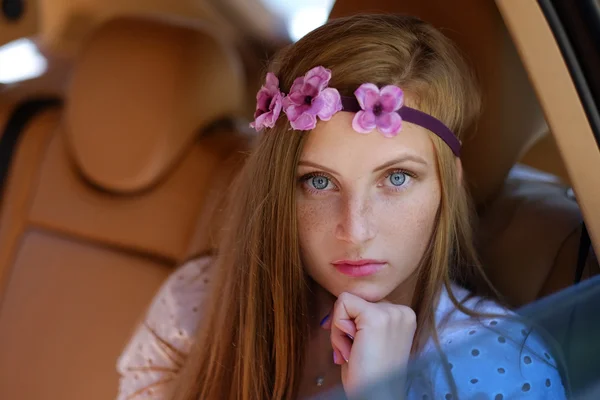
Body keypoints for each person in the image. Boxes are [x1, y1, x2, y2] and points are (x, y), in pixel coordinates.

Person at [116, 14, 568, 400]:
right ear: (278, 191)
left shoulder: (504, 367)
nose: (355, 230)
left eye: (396, 178)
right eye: (318, 181)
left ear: (449, 183)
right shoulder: (194, 306)